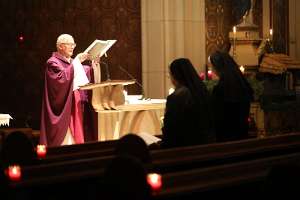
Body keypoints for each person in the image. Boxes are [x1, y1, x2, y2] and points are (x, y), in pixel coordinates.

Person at [40, 34, 98, 147]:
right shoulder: (52, 62)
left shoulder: (71, 62)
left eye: (73, 44)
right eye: (70, 44)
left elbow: (83, 72)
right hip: (63, 109)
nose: (73, 47)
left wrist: (94, 66)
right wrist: (77, 61)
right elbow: (62, 78)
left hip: (74, 105)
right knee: (66, 143)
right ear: (61, 46)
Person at [161, 58, 216, 148]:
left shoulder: (176, 97)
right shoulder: (203, 92)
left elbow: (170, 131)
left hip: (183, 150)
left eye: (170, 75)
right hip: (207, 147)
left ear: (175, 76)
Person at [209, 51, 254, 142]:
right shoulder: (242, 85)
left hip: (225, 141)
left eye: (212, 66)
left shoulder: (220, 89)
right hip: (242, 137)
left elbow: (217, 119)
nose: (211, 69)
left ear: (218, 67)